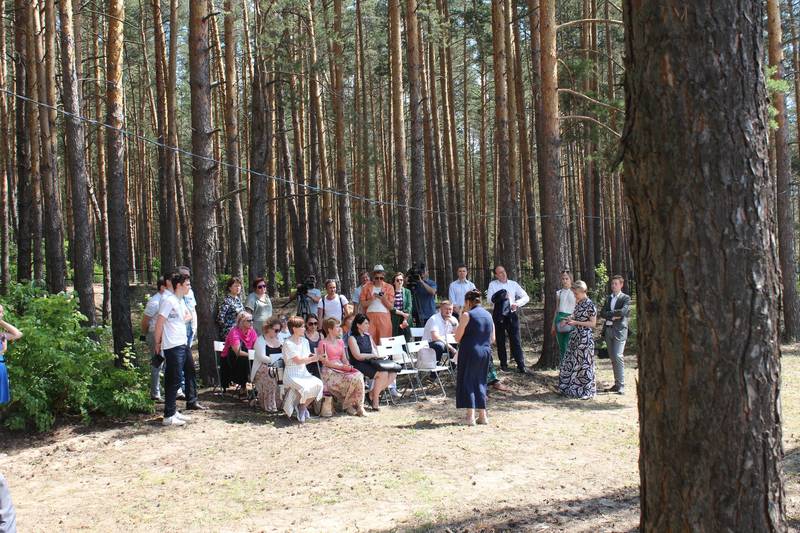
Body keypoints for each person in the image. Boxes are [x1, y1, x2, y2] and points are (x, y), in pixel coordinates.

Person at [154, 272, 196, 426]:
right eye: (187, 285)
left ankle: (173, 411)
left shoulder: (179, 301)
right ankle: (168, 415)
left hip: (182, 343)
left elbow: (187, 316)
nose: (189, 287)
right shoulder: (168, 300)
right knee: (174, 378)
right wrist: (157, 343)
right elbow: (159, 323)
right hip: (172, 345)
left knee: (188, 371)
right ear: (178, 285)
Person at [454, 290, 494, 425]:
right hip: (485, 351)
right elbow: (492, 338)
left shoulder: (467, 315)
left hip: (470, 351)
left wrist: (461, 318)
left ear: (467, 302)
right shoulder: (488, 314)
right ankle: (483, 416)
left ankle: (470, 417)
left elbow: (457, 338)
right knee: (481, 381)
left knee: (468, 381)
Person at [347, 314, 397, 411]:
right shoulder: (352, 338)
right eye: (365, 323)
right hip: (358, 363)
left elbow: (374, 350)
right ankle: (375, 402)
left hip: (370, 361)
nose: (368, 326)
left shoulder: (368, 336)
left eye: (368, 323)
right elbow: (357, 356)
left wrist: (378, 356)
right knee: (383, 373)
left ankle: (371, 394)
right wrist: (372, 356)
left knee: (393, 372)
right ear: (358, 325)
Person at [558, 280, 597, 400]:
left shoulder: (590, 304)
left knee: (584, 364)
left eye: (576, 294)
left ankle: (585, 390)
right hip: (575, 336)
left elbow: (593, 323)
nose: (575, 296)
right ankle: (571, 387)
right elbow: (575, 315)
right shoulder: (579, 303)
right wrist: (568, 319)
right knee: (571, 361)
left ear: (582, 291)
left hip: (585, 338)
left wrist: (576, 323)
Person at [318, 317, 366, 416]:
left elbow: (344, 358)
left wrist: (347, 365)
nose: (340, 329)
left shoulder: (340, 341)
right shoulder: (323, 343)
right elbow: (326, 363)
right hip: (330, 372)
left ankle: (359, 406)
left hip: (341, 369)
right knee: (353, 379)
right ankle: (349, 406)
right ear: (330, 329)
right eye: (337, 327)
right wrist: (342, 367)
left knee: (359, 375)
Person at [487, 265, 530, 373]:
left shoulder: (513, 284)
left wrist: (517, 303)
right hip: (498, 315)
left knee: (515, 340)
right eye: (500, 272)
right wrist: (501, 296)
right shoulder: (493, 284)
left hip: (511, 314)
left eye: (504, 271)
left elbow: (526, 297)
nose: (503, 274)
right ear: (496, 275)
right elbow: (489, 300)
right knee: (500, 341)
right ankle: (503, 364)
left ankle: (521, 364)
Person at [281, 316, 324, 422]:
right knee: (305, 388)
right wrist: (315, 358)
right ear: (294, 329)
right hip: (291, 374)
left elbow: (308, 355)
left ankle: (302, 406)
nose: (304, 329)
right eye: (302, 327)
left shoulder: (304, 341)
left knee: (319, 384)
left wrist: (318, 356)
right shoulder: (288, 343)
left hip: (303, 372)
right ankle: (299, 408)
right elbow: (298, 360)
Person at [599, 275, 631, 395]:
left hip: (620, 330)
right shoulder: (608, 298)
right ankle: (617, 384)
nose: (613, 286)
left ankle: (621, 385)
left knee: (618, 355)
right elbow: (602, 313)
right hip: (608, 329)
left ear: (621, 285)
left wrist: (610, 314)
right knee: (613, 358)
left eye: (616, 284)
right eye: (612, 284)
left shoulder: (625, 298)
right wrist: (613, 315)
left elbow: (623, 312)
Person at [142, 277, 167, 402]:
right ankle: (155, 393)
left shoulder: (166, 300)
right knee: (157, 362)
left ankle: (161, 389)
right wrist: (146, 334)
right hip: (154, 334)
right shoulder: (155, 301)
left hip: (166, 336)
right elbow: (145, 321)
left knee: (164, 363)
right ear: (162, 287)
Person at [222, 311, 258, 398]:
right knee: (244, 360)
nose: (251, 322)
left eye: (252, 320)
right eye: (249, 320)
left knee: (259, 361)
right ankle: (243, 387)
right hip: (230, 359)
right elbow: (237, 352)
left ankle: (257, 387)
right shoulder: (234, 332)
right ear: (241, 322)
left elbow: (256, 346)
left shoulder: (252, 331)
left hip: (249, 356)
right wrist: (253, 356)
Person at [251, 317, 283, 413]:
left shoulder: (280, 339)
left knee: (286, 374)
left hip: (279, 367)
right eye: (276, 330)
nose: (278, 333)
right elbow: (261, 357)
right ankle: (269, 406)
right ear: (268, 328)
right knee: (271, 373)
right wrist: (275, 359)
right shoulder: (260, 340)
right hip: (262, 368)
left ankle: (282, 404)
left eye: (279, 330)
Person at [359, 265, 395, 344]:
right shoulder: (366, 287)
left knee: (384, 342)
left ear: (384, 277)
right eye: (376, 278)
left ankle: (385, 356)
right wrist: (372, 299)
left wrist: (382, 298)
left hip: (384, 317)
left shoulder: (389, 287)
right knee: (370, 340)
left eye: (381, 278)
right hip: (369, 317)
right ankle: (372, 356)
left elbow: (391, 306)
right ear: (373, 277)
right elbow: (363, 304)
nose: (379, 280)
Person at [551, 270, 576, 364]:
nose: (565, 281)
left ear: (571, 279)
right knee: (562, 346)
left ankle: (572, 369)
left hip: (571, 319)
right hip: (559, 319)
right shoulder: (559, 293)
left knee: (570, 345)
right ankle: (564, 369)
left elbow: (577, 308)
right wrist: (553, 325)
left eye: (567, 278)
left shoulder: (575, 292)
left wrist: (570, 318)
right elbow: (556, 309)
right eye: (563, 279)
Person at [0, 305, 23, 406]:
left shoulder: (1, 335)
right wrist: (3, 350)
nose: (2, 314)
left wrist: (1, 322)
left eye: (1, 312)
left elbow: (18, 334)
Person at [390, 272, 414, 341]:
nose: (399, 282)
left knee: (407, 340)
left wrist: (405, 319)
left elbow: (409, 306)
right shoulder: (391, 292)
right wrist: (402, 313)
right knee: (395, 340)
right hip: (394, 320)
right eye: (397, 280)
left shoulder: (407, 292)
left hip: (405, 320)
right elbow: (391, 307)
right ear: (394, 282)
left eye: (401, 280)